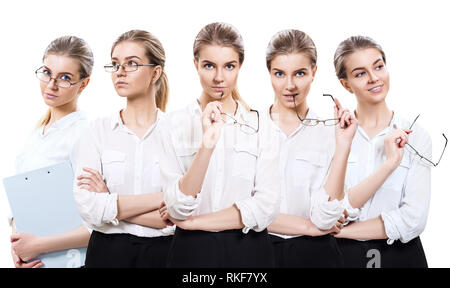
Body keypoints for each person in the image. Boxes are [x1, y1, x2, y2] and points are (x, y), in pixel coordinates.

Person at [162, 22, 280, 268]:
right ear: (195, 64)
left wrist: (195, 223)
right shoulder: (173, 124)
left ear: (240, 66)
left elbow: (266, 206)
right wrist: (207, 143)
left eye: (229, 66)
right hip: (190, 253)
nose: (219, 77)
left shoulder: (261, 126)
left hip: (249, 251)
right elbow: (177, 206)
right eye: (209, 66)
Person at [73, 30, 177, 268]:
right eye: (115, 64)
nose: (119, 71)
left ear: (155, 73)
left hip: (164, 256)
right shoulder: (96, 131)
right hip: (106, 254)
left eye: (131, 63)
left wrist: (109, 201)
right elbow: (88, 207)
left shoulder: (177, 134)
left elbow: (182, 213)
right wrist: (163, 199)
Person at [333, 36, 433, 268]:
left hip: (401, 256)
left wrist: (344, 231)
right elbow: (331, 211)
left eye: (378, 66)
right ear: (345, 84)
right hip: (340, 258)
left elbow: (414, 219)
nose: (374, 78)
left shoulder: (416, 135)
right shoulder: (336, 136)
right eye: (360, 73)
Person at [263, 29, 357, 267]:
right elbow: (240, 210)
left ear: (314, 72)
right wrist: (310, 225)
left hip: (316, 255)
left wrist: (343, 146)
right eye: (280, 74)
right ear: (269, 73)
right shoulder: (250, 130)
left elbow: (325, 217)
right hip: (258, 252)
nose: (290, 85)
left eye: (300, 73)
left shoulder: (329, 134)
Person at [9, 36, 93, 268]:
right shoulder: (36, 135)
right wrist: (19, 250)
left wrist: (38, 246)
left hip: (71, 260)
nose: (51, 84)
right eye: (47, 72)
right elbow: (21, 204)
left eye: (65, 78)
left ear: (84, 84)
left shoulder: (83, 135)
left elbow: (99, 223)